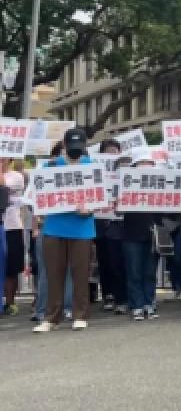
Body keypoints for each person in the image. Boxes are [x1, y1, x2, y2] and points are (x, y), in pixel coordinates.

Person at [33, 129, 97, 332]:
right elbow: (37, 195)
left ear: (84, 146)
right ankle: (51, 318)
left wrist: (89, 209)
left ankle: (80, 315)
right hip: (54, 228)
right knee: (54, 274)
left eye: (79, 146)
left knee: (80, 275)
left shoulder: (92, 166)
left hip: (82, 229)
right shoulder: (51, 166)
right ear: (65, 145)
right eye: (71, 146)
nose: (75, 150)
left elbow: (99, 196)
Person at [118, 151, 161, 321]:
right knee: (134, 272)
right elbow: (119, 211)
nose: (145, 166)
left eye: (149, 163)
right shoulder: (126, 184)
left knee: (149, 272)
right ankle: (136, 305)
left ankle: (149, 303)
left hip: (152, 234)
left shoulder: (160, 185)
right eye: (142, 163)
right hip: (131, 234)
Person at [93, 139, 127, 314]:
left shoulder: (126, 173)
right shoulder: (95, 172)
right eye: (109, 151)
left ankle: (121, 298)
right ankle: (107, 295)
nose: (112, 154)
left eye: (115, 151)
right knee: (103, 263)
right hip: (99, 222)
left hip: (117, 223)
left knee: (116, 263)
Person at [2, 158, 25, 315]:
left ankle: (10, 302)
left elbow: (3, 187)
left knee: (12, 267)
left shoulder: (16, 176)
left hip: (12, 226)